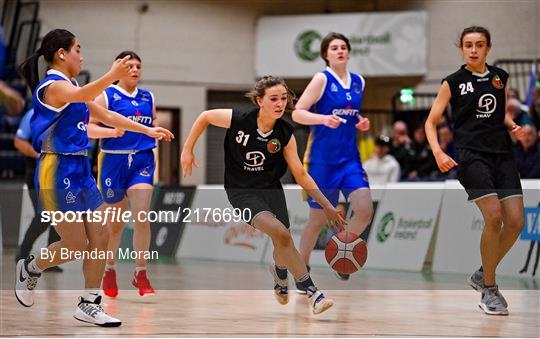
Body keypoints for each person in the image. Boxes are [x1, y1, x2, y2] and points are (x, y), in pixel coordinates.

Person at [15, 29, 173, 327]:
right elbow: (80, 95)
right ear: (61, 53)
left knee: (101, 234)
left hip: (81, 169)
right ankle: (31, 267)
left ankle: (89, 303)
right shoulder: (52, 87)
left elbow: (106, 115)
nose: (81, 54)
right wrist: (112, 75)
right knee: (74, 245)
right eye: (77, 48)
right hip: (56, 170)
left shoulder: (73, 85)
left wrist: (147, 130)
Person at [181, 75, 344, 315]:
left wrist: (327, 205)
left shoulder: (285, 132)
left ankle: (279, 274)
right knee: (280, 233)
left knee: (284, 239)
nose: (280, 104)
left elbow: (301, 174)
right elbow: (204, 117)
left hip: (270, 189)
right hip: (241, 192)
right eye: (273, 99)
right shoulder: (239, 119)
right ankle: (313, 293)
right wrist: (187, 149)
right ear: (260, 101)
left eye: (283, 98)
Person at [425, 26, 525, 316]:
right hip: (471, 156)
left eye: (479, 45)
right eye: (468, 45)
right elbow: (431, 122)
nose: (473, 50)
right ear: (461, 49)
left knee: (516, 222)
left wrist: (510, 124)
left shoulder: (499, 77)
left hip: (503, 154)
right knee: (494, 217)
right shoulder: (452, 82)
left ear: (488, 48)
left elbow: (499, 110)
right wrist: (438, 152)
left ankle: (482, 273)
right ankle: (489, 289)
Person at [291, 32, 373, 283]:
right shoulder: (321, 79)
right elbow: (297, 113)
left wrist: (359, 121)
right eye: (334, 47)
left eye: (343, 47)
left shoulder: (359, 81)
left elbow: (350, 112)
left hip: (349, 160)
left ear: (348, 52)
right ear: (326, 54)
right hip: (321, 161)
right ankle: (301, 269)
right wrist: (323, 119)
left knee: (364, 210)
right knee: (317, 219)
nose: (339, 51)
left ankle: (341, 252)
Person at [87, 51, 157, 298]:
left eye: (139, 65)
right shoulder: (106, 95)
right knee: (115, 226)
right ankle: (109, 269)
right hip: (113, 161)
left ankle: (141, 272)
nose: (135, 70)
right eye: (130, 66)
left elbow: (150, 126)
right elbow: (87, 127)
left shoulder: (149, 96)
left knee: (142, 217)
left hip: (142, 160)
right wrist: (109, 133)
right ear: (118, 68)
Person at [14, 108, 62, 271]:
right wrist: (41, 155)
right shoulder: (34, 113)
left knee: (59, 216)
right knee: (44, 216)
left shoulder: (68, 112)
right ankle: (22, 254)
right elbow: (19, 141)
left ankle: (50, 259)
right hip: (36, 173)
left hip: (60, 174)